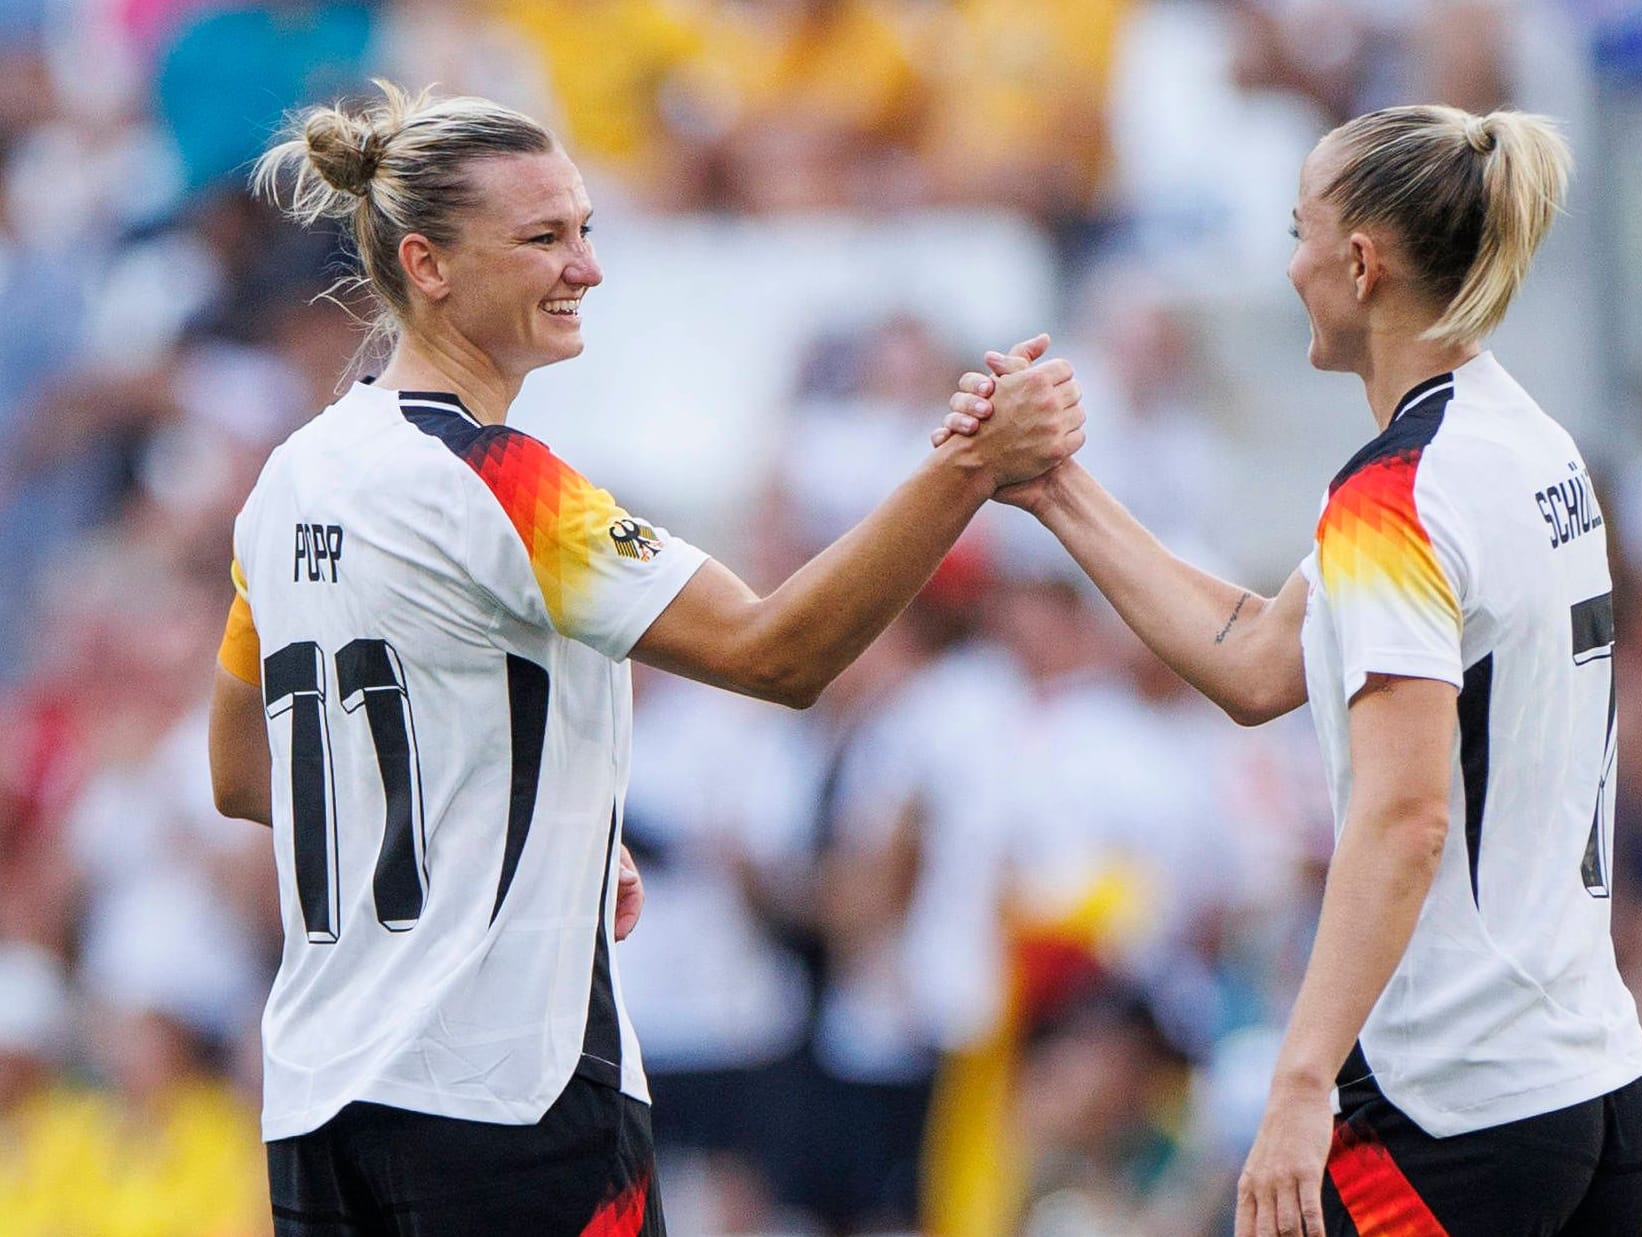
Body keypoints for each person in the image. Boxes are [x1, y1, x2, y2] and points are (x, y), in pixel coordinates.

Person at [205, 81, 1083, 1236]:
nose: (587, 268)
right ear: (426, 264)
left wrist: (530, 831)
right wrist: (968, 466)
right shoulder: (498, 481)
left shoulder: (292, 478)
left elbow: (240, 772)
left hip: (322, 1095)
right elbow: (778, 651)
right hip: (506, 1098)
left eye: (585, 229)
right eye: (543, 238)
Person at [939, 105, 1642, 1237]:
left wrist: (1296, 1083)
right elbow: (1263, 662)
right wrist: (1052, 490)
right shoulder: (1524, 442)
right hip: (1597, 1090)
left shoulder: (1395, 494)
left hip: (1453, 1105)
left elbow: (1404, 815)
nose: (1287, 268)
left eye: (1296, 233)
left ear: (1361, 262)